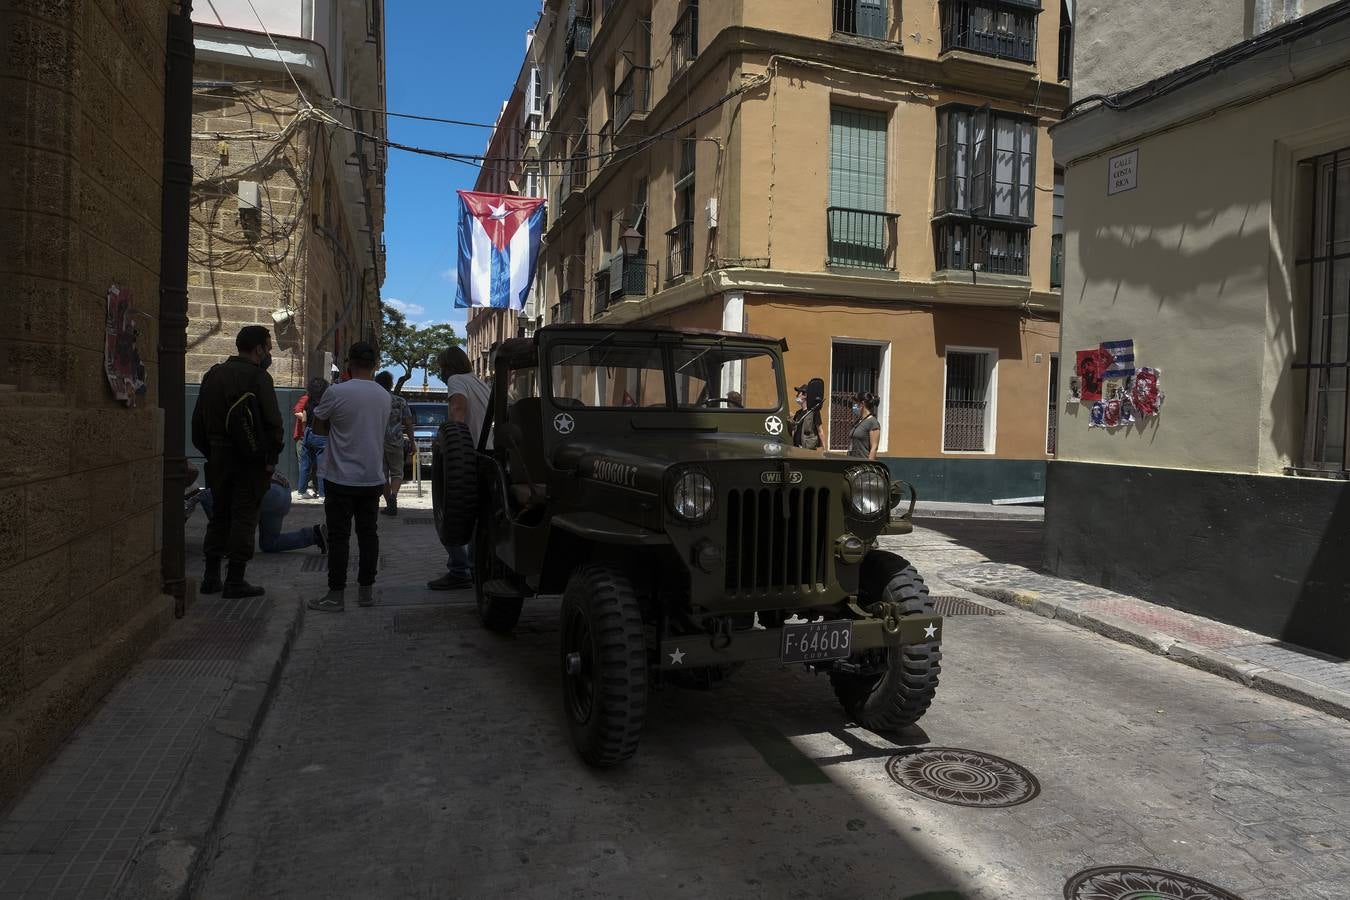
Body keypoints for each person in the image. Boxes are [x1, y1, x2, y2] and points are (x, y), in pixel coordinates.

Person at [190, 324, 284, 598]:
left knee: (220, 514)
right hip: (250, 461)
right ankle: (235, 579)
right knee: (244, 515)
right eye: (268, 347)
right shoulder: (259, 378)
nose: (268, 353)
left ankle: (210, 576)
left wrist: (211, 451)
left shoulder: (214, 375)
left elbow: (198, 421)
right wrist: (270, 458)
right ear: (258, 349)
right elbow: (273, 424)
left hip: (218, 457)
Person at [306, 342, 391, 612]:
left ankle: (335, 595)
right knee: (369, 535)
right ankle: (365, 593)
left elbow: (319, 426)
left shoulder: (336, 392)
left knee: (339, 537)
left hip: (340, 477)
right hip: (371, 477)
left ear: (349, 364)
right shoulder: (384, 395)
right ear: (375, 364)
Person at [427, 345, 492, 591]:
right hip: (487, 454)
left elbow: (458, 410)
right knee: (477, 517)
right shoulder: (480, 383)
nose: (440, 374)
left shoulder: (456, 380)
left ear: (447, 367)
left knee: (450, 513)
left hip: (466, 457)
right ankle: (474, 568)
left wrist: (451, 444)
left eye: (440, 368)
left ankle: (458, 569)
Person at [191, 468, 327, 554]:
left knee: (208, 495)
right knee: (269, 543)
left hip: (267, 490)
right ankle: (314, 535)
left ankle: (225, 542)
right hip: (283, 491)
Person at [375, 370, 413, 516]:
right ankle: (393, 496)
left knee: (382, 474)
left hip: (377, 442)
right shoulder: (400, 401)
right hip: (396, 441)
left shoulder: (374, 401)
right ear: (390, 385)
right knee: (397, 472)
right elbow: (408, 423)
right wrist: (412, 442)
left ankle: (389, 503)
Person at [297, 377, 329, 499]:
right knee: (322, 466)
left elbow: (304, 418)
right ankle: (322, 494)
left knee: (305, 464)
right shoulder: (326, 404)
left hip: (308, 433)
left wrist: (305, 432)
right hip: (322, 435)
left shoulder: (308, 402)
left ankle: (301, 491)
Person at [791, 378, 826, 450]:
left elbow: (820, 431)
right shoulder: (798, 413)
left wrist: (824, 449)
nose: (796, 395)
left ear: (805, 395)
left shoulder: (814, 412)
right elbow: (794, 430)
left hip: (808, 451)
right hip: (796, 449)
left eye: (798, 393)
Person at [848, 391, 882, 460]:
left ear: (862, 404)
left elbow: (874, 448)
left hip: (863, 463)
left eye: (855, 403)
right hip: (852, 461)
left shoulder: (873, 422)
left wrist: (868, 465)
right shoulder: (858, 421)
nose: (853, 406)